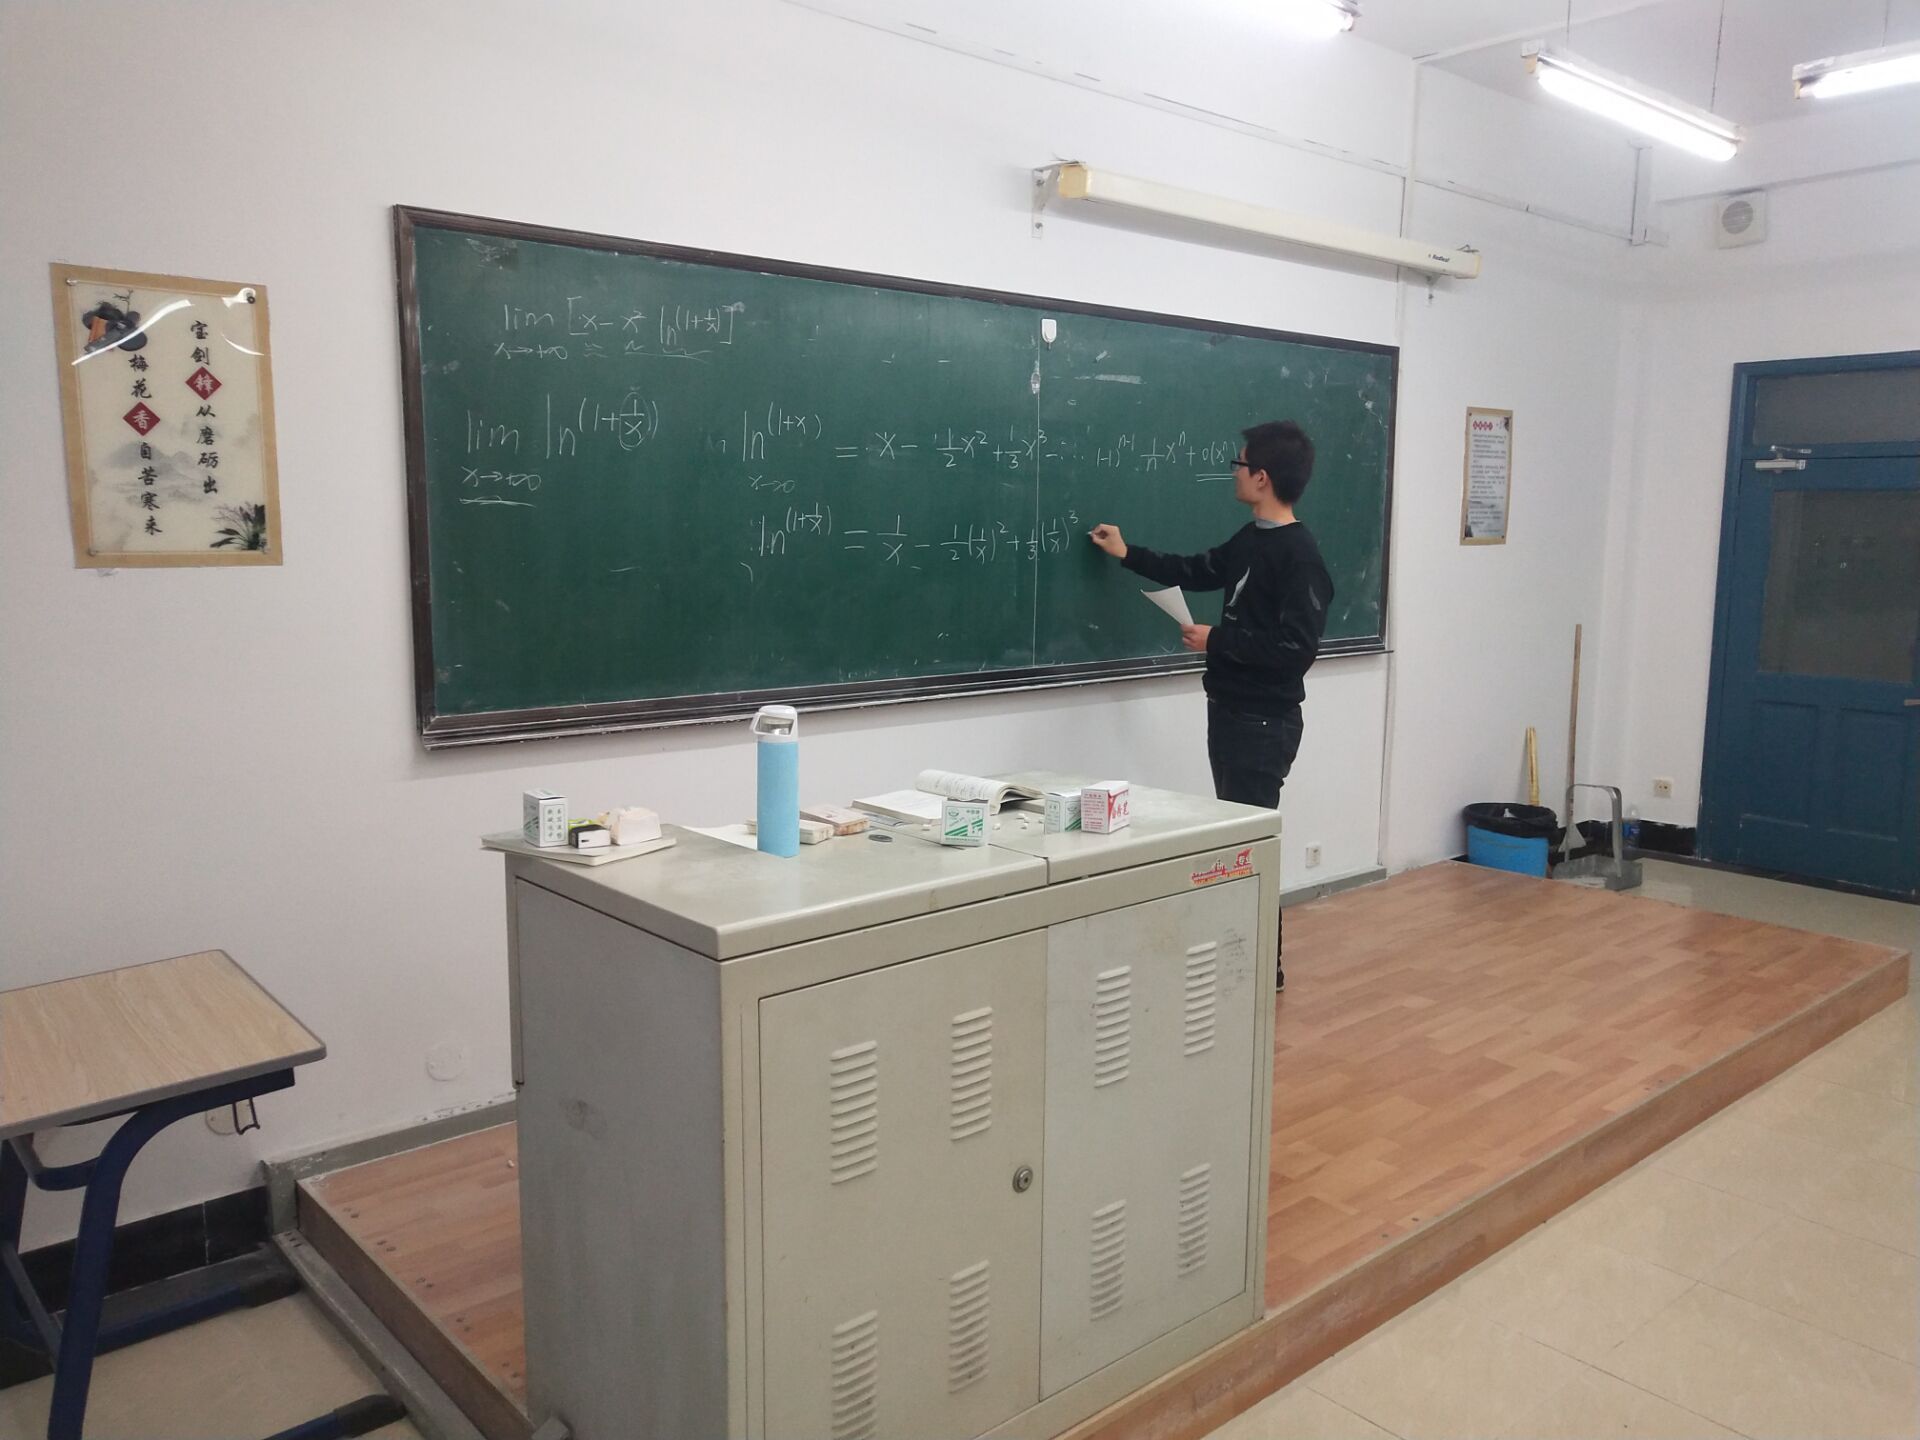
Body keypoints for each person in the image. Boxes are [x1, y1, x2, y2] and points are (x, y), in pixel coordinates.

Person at [1088, 420, 1333, 990]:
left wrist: (1217, 640)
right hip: (1229, 708)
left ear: (1262, 477)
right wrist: (1128, 553)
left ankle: (1262, 968)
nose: (1234, 472)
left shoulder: (1300, 557)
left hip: (1263, 721)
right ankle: (1245, 958)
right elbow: (1197, 569)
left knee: (1249, 841)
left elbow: (1296, 651)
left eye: (1239, 464)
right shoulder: (1251, 539)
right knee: (1238, 834)